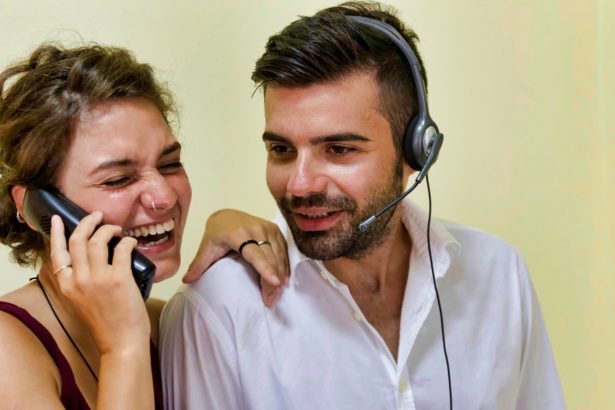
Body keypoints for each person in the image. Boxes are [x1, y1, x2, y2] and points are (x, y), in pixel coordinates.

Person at [160, 1, 565, 409]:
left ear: (416, 152)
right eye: (281, 149)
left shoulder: (499, 274)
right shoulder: (218, 309)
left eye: (338, 149)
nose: (300, 185)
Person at [0, 43, 287, 409]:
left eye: (169, 165)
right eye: (118, 179)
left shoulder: (170, 322)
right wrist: (122, 347)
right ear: (35, 206)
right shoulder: (8, 348)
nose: (165, 197)